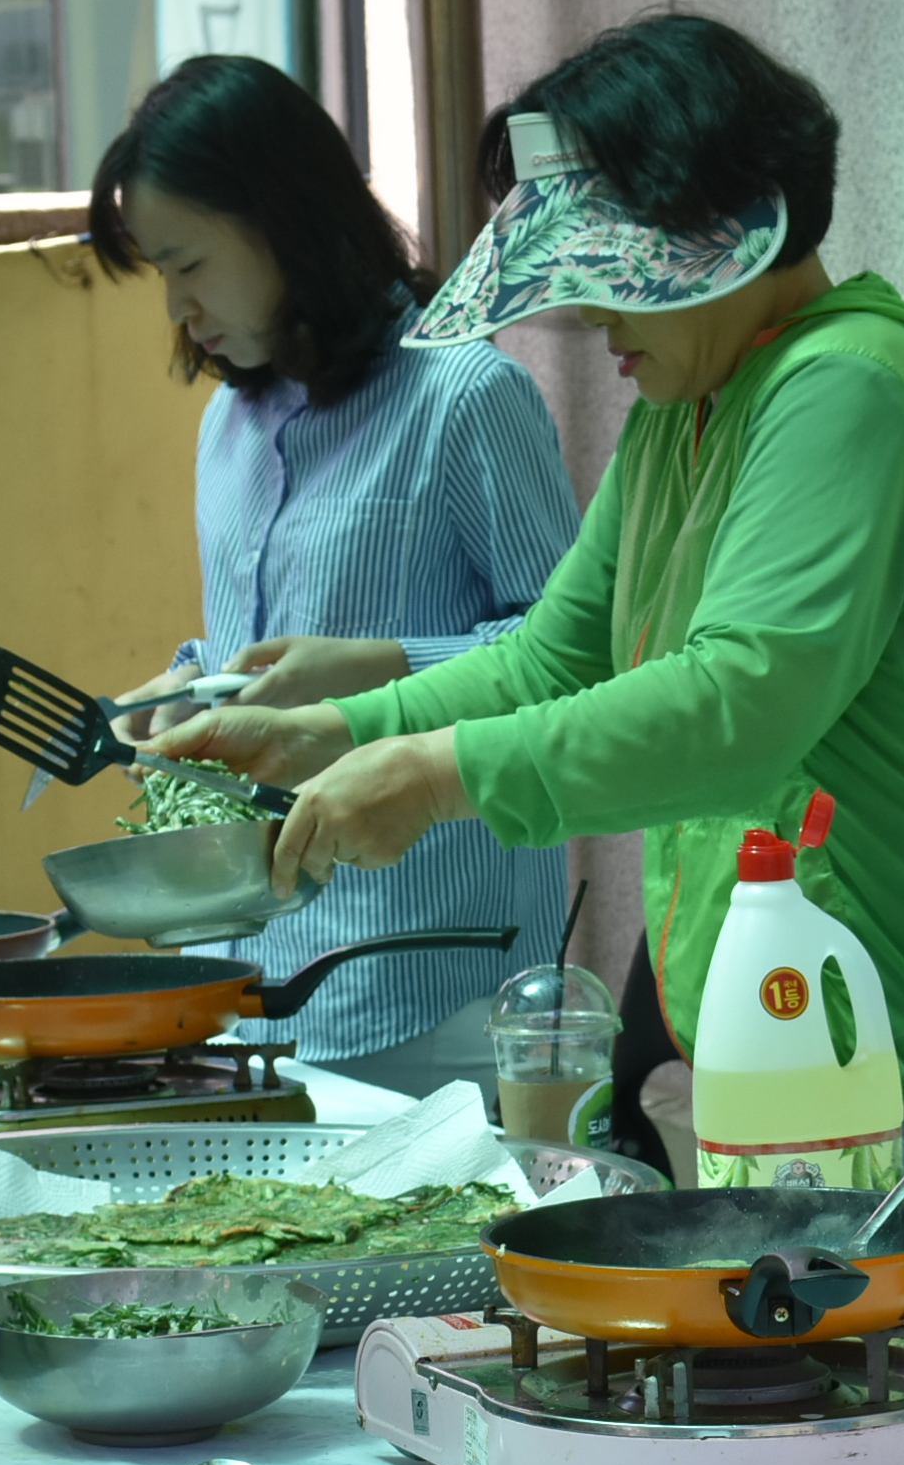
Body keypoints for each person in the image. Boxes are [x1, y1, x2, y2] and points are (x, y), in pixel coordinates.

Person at [156, 17, 904, 1326]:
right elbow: (555, 656)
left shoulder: (852, 387)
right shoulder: (685, 410)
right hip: (805, 1058)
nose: (584, 316)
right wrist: (334, 730)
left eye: (610, 274)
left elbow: (737, 707)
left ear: (722, 234)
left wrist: (435, 775)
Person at [85, 56, 584, 1108]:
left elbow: (578, 659)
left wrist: (379, 665)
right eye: (159, 274)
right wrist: (186, 687)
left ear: (285, 222)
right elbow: (259, 641)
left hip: (428, 985)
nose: (177, 306)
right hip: (246, 978)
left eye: (188, 263)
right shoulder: (230, 421)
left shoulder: (466, 396)